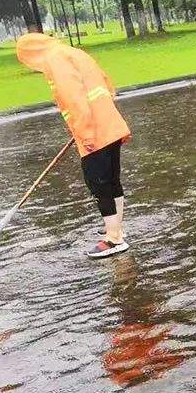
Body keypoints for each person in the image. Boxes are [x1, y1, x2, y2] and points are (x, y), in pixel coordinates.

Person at [16, 33, 132, 259]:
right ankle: (116, 226)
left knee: (98, 183)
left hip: (94, 132)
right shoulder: (72, 52)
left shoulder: (55, 60)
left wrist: (85, 131)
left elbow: (74, 97)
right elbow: (107, 83)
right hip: (109, 124)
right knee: (111, 180)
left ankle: (114, 239)